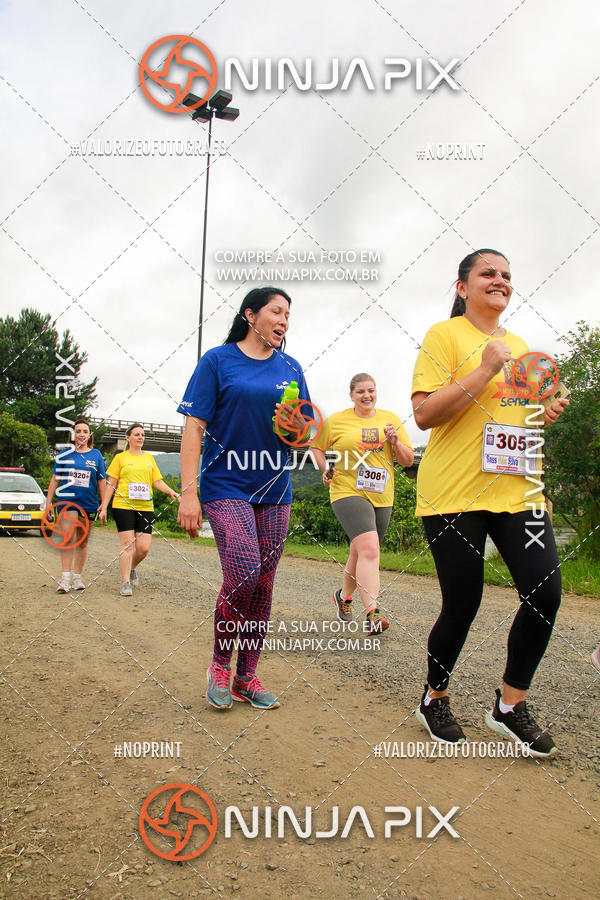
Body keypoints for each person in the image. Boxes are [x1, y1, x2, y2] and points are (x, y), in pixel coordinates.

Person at [411, 248, 569, 757]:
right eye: (488, 273)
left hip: (518, 490)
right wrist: (482, 370)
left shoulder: (519, 344)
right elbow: (425, 415)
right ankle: (434, 697)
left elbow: (512, 415)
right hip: (454, 492)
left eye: (506, 275)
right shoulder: (445, 335)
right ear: (463, 287)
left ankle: (509, 705)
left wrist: (543, 411)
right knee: (464, 601)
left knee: (544, 594)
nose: (500, 280)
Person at [177, 287, 310, 711]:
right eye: (276, 311)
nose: (284, 320)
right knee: (244, 573)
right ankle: (219, 665)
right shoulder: (217, 361)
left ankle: (246, 676)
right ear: (251, 314)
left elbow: (303, 434)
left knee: (264, 585)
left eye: (288, 314)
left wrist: (296, 428)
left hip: (275, 489)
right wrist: (188, 494)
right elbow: (193, 429)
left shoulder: (291, 368)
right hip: (225, 484)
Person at [311, 374, 413, 633]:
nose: (366, 396)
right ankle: (373, 613)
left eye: (371, 390)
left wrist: (396, 442)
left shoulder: (390, 420)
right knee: (369, 549)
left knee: (360, 552)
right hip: (347, 491)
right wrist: (326, 469)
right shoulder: (336, 421)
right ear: (351, 395)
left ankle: (344, 597)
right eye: (360, 392)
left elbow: (408, 460)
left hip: (382, 494)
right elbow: (316, 448)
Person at [99, 423, 180, 596]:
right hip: (123, 505)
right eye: (136, 434)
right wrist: (104, 507)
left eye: (142, 434)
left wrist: (171, 491)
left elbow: (157, 481)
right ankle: (125, 582)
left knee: (143, 549)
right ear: (128, 438)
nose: (140, 437)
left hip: (145, 507)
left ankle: (132, 567)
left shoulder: (149, 459)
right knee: (127, 545)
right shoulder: (120, 458)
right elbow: (111, 483)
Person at [46, 418, 107, 593]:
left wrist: (103, 505)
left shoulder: (96, 455)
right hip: (67, 502)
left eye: (85, 431)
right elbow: (55, 479)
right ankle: (65, 579)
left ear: (89, 435)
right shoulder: (65, 454)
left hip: (88, 504)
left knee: (82, 541)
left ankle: (77, 578)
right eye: (78, 431)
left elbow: (102, 481)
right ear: (73, 434)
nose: (81, 434)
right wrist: (48, 502)